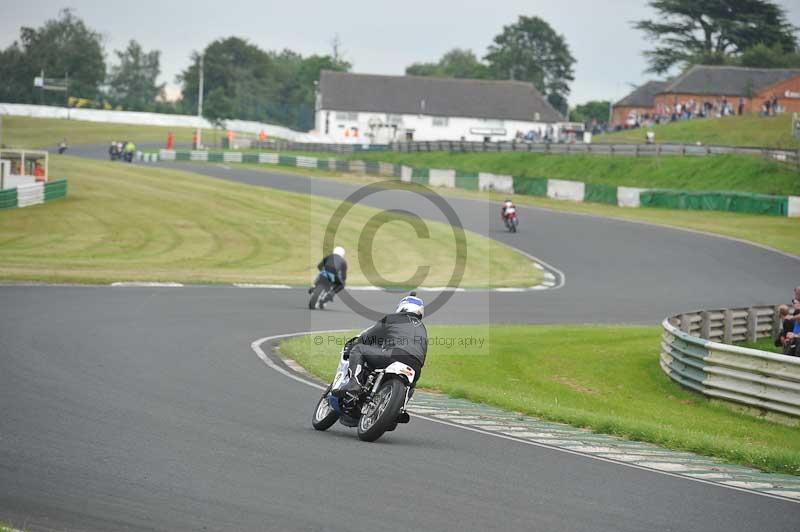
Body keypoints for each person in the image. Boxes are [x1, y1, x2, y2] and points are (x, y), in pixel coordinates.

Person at [335, 292, 427, 396]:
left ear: (403, 306)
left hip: (394, 355)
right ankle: (400, 407)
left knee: (359, 349)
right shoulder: (423, 328)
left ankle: (354, 383)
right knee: (410, 386)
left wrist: (354, 344)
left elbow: (369, 336)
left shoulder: (393, 318)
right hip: (416, 367)